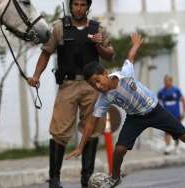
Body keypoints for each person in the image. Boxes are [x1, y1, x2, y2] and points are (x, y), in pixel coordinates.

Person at [66, 33, 185, 188]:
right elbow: (90, 123)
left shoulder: (125, 74)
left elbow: (130, 57)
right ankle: (114, 178)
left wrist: (136, 44)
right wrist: (81, 147)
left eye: (97, 81)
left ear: (105, 73)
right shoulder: (103, 99)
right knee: (119, 150)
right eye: (92, 85)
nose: (97, 86)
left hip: (154, 110)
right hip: (135, 118)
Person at [27, 0, 115, 187]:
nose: (79, 8)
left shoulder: (97, 28)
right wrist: (36, 75)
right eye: (75, 4)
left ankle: (86, 178)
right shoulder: (59, 28)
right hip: (67, 84)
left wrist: (99, 45)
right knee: (59, 131)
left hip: (92, 85)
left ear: (88, 7)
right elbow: (46, 52)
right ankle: (54, 178)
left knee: (92, 131)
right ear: (71, 5)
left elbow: (110, 55)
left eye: (83, 4)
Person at [158, 75, 185, 155]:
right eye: (165, 81)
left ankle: (177, 147)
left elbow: (183, 101)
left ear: (171, 81)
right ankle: (167, 147)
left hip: (176, 114)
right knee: (167, 131)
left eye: (167, 80)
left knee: (177, 131)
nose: (166, 82)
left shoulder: (176, 91)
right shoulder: (161, 92)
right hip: (166, 114)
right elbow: (158, 103)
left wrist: (183, 112)